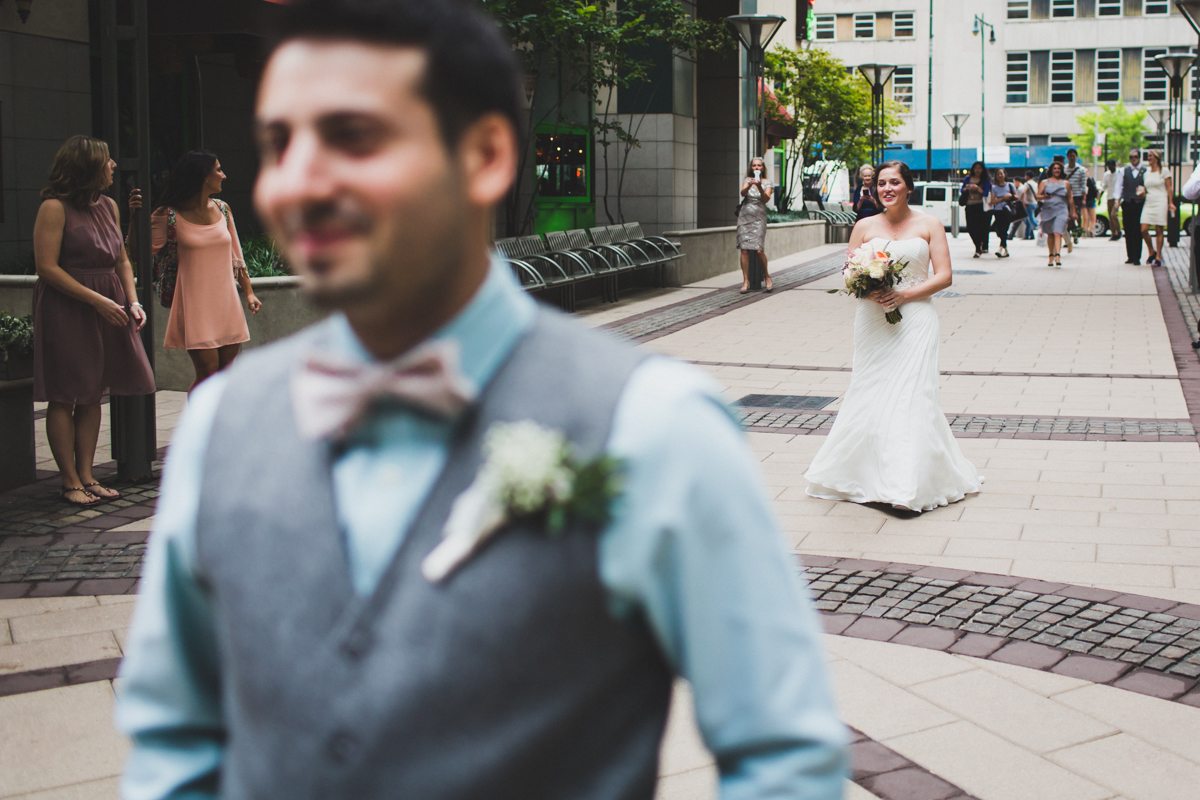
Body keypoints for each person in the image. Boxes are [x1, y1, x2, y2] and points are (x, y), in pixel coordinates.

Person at [115, 2, 848, 798]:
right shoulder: (222, 421)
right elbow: (172, 738)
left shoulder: (655, 424)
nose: (298, 184)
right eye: (281, 143)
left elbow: (785, 759)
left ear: (488, 155)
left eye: (352, 136)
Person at [805, 160, 981, 511]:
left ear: (908, 187)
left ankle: (907, 484)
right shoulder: (864, 225)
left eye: (895, 182)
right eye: (881, 183)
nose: (886, 188)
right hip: (872, 318)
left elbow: (944, 276)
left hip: (915, 317)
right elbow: (849, 273)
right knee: (869, 390)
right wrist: (867, 288)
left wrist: (903, 296)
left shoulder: (930, 224)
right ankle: (862, 474)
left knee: (913, 393)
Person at [31, 135, 155, 506]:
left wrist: (132, 300)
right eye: (107, 160)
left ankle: (87, 475)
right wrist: (98, 301)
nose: (114, 165)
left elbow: (121, 260)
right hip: (68, 305)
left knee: (93, 392)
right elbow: (46, 268)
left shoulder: (110, 206)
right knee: (65, 392)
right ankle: (69, 481)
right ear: (88, 167)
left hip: (108, 301)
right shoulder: (53, 208)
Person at [126, 151, 262, 391]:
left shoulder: (223, 209)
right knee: (208, 373)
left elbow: (236, 257)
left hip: (226, 302)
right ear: (202, 176)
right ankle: (198, 428)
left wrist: (249, 293)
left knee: (226, 374)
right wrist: (134, 219)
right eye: (218, 170)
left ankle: (219, 427)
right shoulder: (167, 215)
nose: (224, 175)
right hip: (195, 305)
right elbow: (137, 255)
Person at [737, 156, 774, 293]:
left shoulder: (768, 182)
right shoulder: (747, 180)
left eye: (759, 165)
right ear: (751, 168)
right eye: (754, 166)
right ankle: (745, 280)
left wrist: (759, 186)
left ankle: (767, 275)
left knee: (759, 250)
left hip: (759, 217)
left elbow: (765, 199)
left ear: (763, 168)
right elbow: (742, 193)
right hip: (745, 217)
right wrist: (750, 185)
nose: (756, 168)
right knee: (745, 250)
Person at [1037, 160, 1075, 268]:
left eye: (1059, 168)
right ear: (1051, 170)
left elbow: (1070, 198)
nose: (1057, 170)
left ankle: (1058, 256)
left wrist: (1073, 211)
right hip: (1048, 210)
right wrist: (1045, 197)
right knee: (1050, 234)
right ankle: (1051, 256)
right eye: (1055, 168)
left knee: (1057, 232)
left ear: (1061, 170)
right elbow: (1038, 196)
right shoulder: (1044, 182)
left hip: (1062, 210)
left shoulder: (1066, 183)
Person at [1140, 150, 1174, 267]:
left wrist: (1171, 202)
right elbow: (1145, 188)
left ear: (1156, 158)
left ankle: (1158, 256)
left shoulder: (1164, 171)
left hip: (1161, 201)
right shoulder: (1146, 173)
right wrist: (1141, 193)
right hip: (1149, 201)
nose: (1148, 158)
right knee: (1143, 229)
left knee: (1159, 230)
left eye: (1150, 156)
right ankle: (1151, 251)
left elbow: (1169, 188)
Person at [1115, 149, 1147, 265]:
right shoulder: (1124, 170)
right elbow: (1119, 186)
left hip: (1139, 203)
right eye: (1132, 157)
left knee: (1138, 230)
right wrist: (1117, 200)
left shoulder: (1145, 171)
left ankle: (1137, 257)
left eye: (1136, 157)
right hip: (1128, 202)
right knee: (1128, 230)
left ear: (1139, 158)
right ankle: (1130, 256)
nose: (1134, 159)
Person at [961, 161, 991, 257]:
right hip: (969, 206)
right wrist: (966, 188)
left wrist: (978, 189)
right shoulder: (968, 178)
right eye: (975, 168)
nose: (977, 170)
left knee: (979, 228)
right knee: (970, 227)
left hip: (980, 207)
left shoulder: (985, 180)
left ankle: (978, 248)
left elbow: (986, 193)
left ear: (982, 169)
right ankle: (978, 245)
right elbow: (962, 190)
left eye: (979, 168)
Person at [988, 167, 1019, 258]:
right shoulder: (994, 188)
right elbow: (993, 200)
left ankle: (1000, 249)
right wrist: (1002, 198)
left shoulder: (1010, 185)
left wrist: (1010, 196)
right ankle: (1005, 249)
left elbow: (1016, 197)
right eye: (998, 174)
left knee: (1004, 229)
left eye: (1001, 173)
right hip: (998, 211)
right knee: (999, 230)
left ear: (1005, 174)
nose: (1000, 176)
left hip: (1008, 211)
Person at [1064, 148, 1088, 248]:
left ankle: (1076, 234)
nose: (1072, 158)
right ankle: (1068, 235)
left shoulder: (1081, 170)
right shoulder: (1064, 169)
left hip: (1077, 196)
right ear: (1067, 157)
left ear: (1076, 157)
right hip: (1066, 196)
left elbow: (1083, 185)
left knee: (1077, 216)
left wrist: (1084, 198)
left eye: (1073, 156)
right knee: (1068, 217)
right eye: (1070, 156)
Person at [1102, 159, 1120, 241]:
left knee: (1114, 215)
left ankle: (1118, 231)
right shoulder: (1106, 175)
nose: (1110, 168)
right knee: (1110, 215)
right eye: (1109, 167)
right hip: (1109, 197)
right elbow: (1104, 186)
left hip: (1117, 197)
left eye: (1111, 166)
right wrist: (1099, 196)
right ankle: (1113, 233)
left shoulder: (1119, 173)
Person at [1018, 170, 1039, 240]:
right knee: (1028, 221)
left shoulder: (1027, 184)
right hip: (1035, 203)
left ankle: (1041, 228)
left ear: (1027, 176)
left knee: (1031, 220)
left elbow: (1023, 192)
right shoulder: (1035, 183)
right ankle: (1027, 235)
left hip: (1029, 203)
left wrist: (1023, 201)